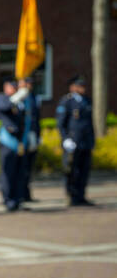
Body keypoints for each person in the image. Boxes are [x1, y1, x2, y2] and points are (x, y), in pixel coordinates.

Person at [57, 75, 95, 206]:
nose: (82, 88)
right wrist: (65, 139)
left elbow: (89, 123)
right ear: (72, 87)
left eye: (83, 86)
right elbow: (61, 123)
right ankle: (71, 196)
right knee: (71, 170)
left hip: (85, 141)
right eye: (80, 86)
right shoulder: (67, 101)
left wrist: (92, 140)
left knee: (84, 170)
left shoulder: (87, 101)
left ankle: (81, 195)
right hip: (73, 142)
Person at [0, 77, 29, 211]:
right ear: (5, 87)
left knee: (19, 172)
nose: (14, 89)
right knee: (7, 172)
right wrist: (17, 96)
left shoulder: (21, 101)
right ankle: (8, 200)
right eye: (12, 87)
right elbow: (5, 107)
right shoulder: (1, 97)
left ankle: (18, 199)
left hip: (20, 140)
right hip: (8, 140)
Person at [18, 77, 40, 202]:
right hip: (22, 136)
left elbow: (36, 117)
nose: (30, 85)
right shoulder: (20, 97)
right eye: (27, 83)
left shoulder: (33, 97)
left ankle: (26, 193)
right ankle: (21, 193)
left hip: (31, 134)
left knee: (29, 167)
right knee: (22, 166)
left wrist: (38, 135)